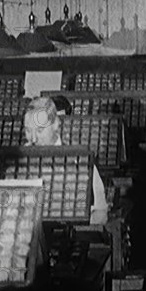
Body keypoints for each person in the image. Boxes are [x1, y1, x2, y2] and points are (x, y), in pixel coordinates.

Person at [23, 96, 108, 225]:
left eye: (40, 130)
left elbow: (100, 213)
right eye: (28, 131)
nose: (33, 139)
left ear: (55, 125)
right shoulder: (17, 160)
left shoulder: (79, 161)